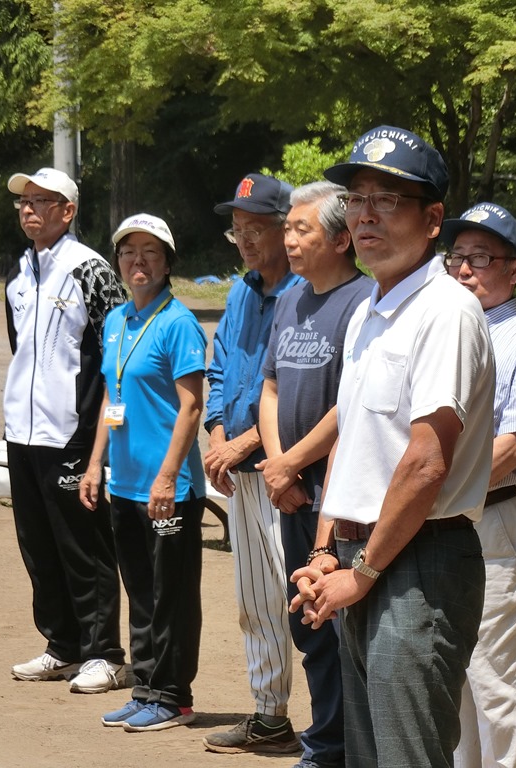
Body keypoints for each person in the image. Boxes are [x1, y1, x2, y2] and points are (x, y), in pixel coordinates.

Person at [289, 126, 496, 767]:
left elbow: (426, 460)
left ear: (433, 220)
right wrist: (328, 550)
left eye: (389, 199)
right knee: (369, 758)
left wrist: (365, 571)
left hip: (417, 566)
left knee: (407, 758)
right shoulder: (369, 310)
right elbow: (354, 440)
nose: (366, 213)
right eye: (357, 198)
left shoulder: (447, 311)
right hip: (363, 554)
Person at [441, 203, 516, 768]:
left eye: (481, 259)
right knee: (455, 683)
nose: (464, 270)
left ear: (515, 269)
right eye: (457, 257)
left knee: (496, 684)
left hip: (496, 524)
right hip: (444, 525)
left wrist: (433, 494)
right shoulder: (443, 332)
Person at [257, 181, 374, 768]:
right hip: (292, 492)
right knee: (305, 621)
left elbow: (349, 404)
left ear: (340, 237)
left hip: (338, 490)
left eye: (301, 230)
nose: (290, 240)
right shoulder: (289, 299)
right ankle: (325, 742)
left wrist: (292, 462)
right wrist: (280, 470)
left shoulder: (363, 301)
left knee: (339, 627)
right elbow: (271, 384)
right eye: (288, 229)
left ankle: (341, 750)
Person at [78, 214, 208, 731]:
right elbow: (114, 398)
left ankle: (174, 696)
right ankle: (147, 686)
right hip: (125, 483)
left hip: (168, 488)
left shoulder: (178, 324)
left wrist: (166, 476)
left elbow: (191, 407)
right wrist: (94, 464)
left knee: (170, 595)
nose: (138, 261)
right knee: (140, 591)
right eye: (128, 251)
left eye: (151, 252)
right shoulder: (116, 322)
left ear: (168, 262)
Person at [3, 167, 127, 693]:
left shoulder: (90, 270)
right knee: (38, 545)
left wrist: (104, 437)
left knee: (85, 547)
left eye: (41, 201)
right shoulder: (16, 272)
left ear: (68, 211)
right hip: (23, 432)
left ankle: (106, 653)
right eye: (23, 202)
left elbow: (119, 355)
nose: (29, 210)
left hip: (74, 434)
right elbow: (21, 351)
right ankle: (62, 645)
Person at [202, 173, 304, 755]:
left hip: (287, 472)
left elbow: (297, 391)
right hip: (238, 470)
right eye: (236, 229)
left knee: (306, 598)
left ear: (284, 229)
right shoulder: (241, 291)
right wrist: (219, 438)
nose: (244, 239)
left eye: (255, 228)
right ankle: (269, 715)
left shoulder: (306, 294)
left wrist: (245, 448)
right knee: (256, 599)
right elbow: (220, 371)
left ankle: (340, 725)